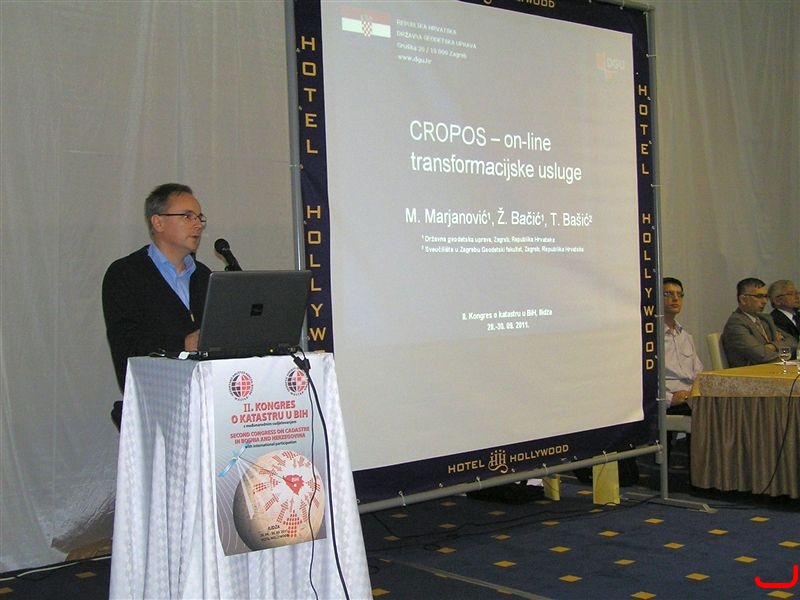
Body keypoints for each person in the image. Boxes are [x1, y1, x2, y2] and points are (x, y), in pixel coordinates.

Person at [102, 183, 211, 428]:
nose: (198, 225)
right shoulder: (125, 274)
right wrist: (182, 344)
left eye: (199, 217)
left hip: (207, 402)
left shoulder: (205, 276)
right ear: (158, 222)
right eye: (187, 216)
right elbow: (126, 347)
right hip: (158, 407)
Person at [662, 277, 703, 415]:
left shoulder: (685, 336)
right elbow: (645, 381)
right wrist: (670, 399)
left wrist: (694, 393)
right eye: (668, 294)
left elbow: (698, 372)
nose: (675, 299)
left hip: (691, 396)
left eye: (680, 294)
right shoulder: (650, 338)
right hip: (670, 400)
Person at [721, 277, 783, 367]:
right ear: (743, 299)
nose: (765, 301)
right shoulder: (735, 324)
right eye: (759, 296)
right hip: (749, 372)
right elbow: (761, 355)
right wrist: (783, 352)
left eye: (766, 296)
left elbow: (793, 342)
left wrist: (772, 346)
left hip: (771, 368)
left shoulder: (765, 319)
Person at [768, 279, 799, 359]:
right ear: (777, 300)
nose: (797, 297)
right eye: (791, 294)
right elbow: (790, 345)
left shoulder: (798, 316)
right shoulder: (773, 320)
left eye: (797, 293)